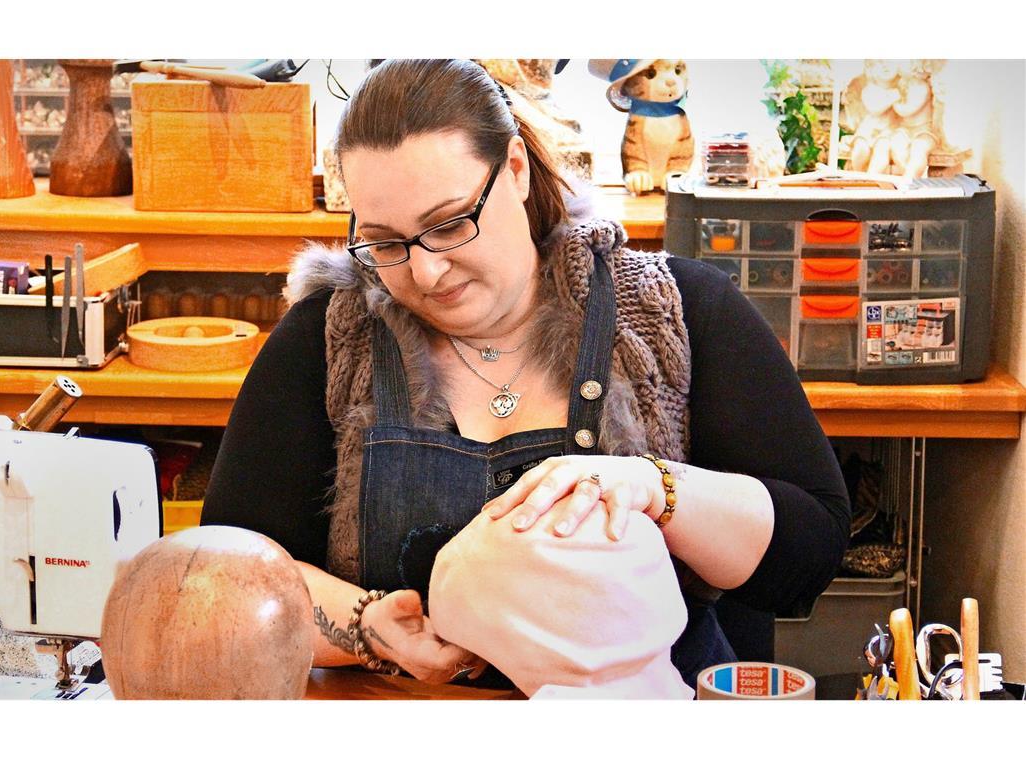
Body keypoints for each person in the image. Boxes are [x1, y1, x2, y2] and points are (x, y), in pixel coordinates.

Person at [202, 59, 850, 691]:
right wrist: (369, 626)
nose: (425, 273)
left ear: (513, 170)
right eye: (386, 242)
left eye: (449, 224)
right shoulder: (330, 337)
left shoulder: (674, 313)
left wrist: (656, 487)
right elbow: (229, 572)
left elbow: (806, 554)